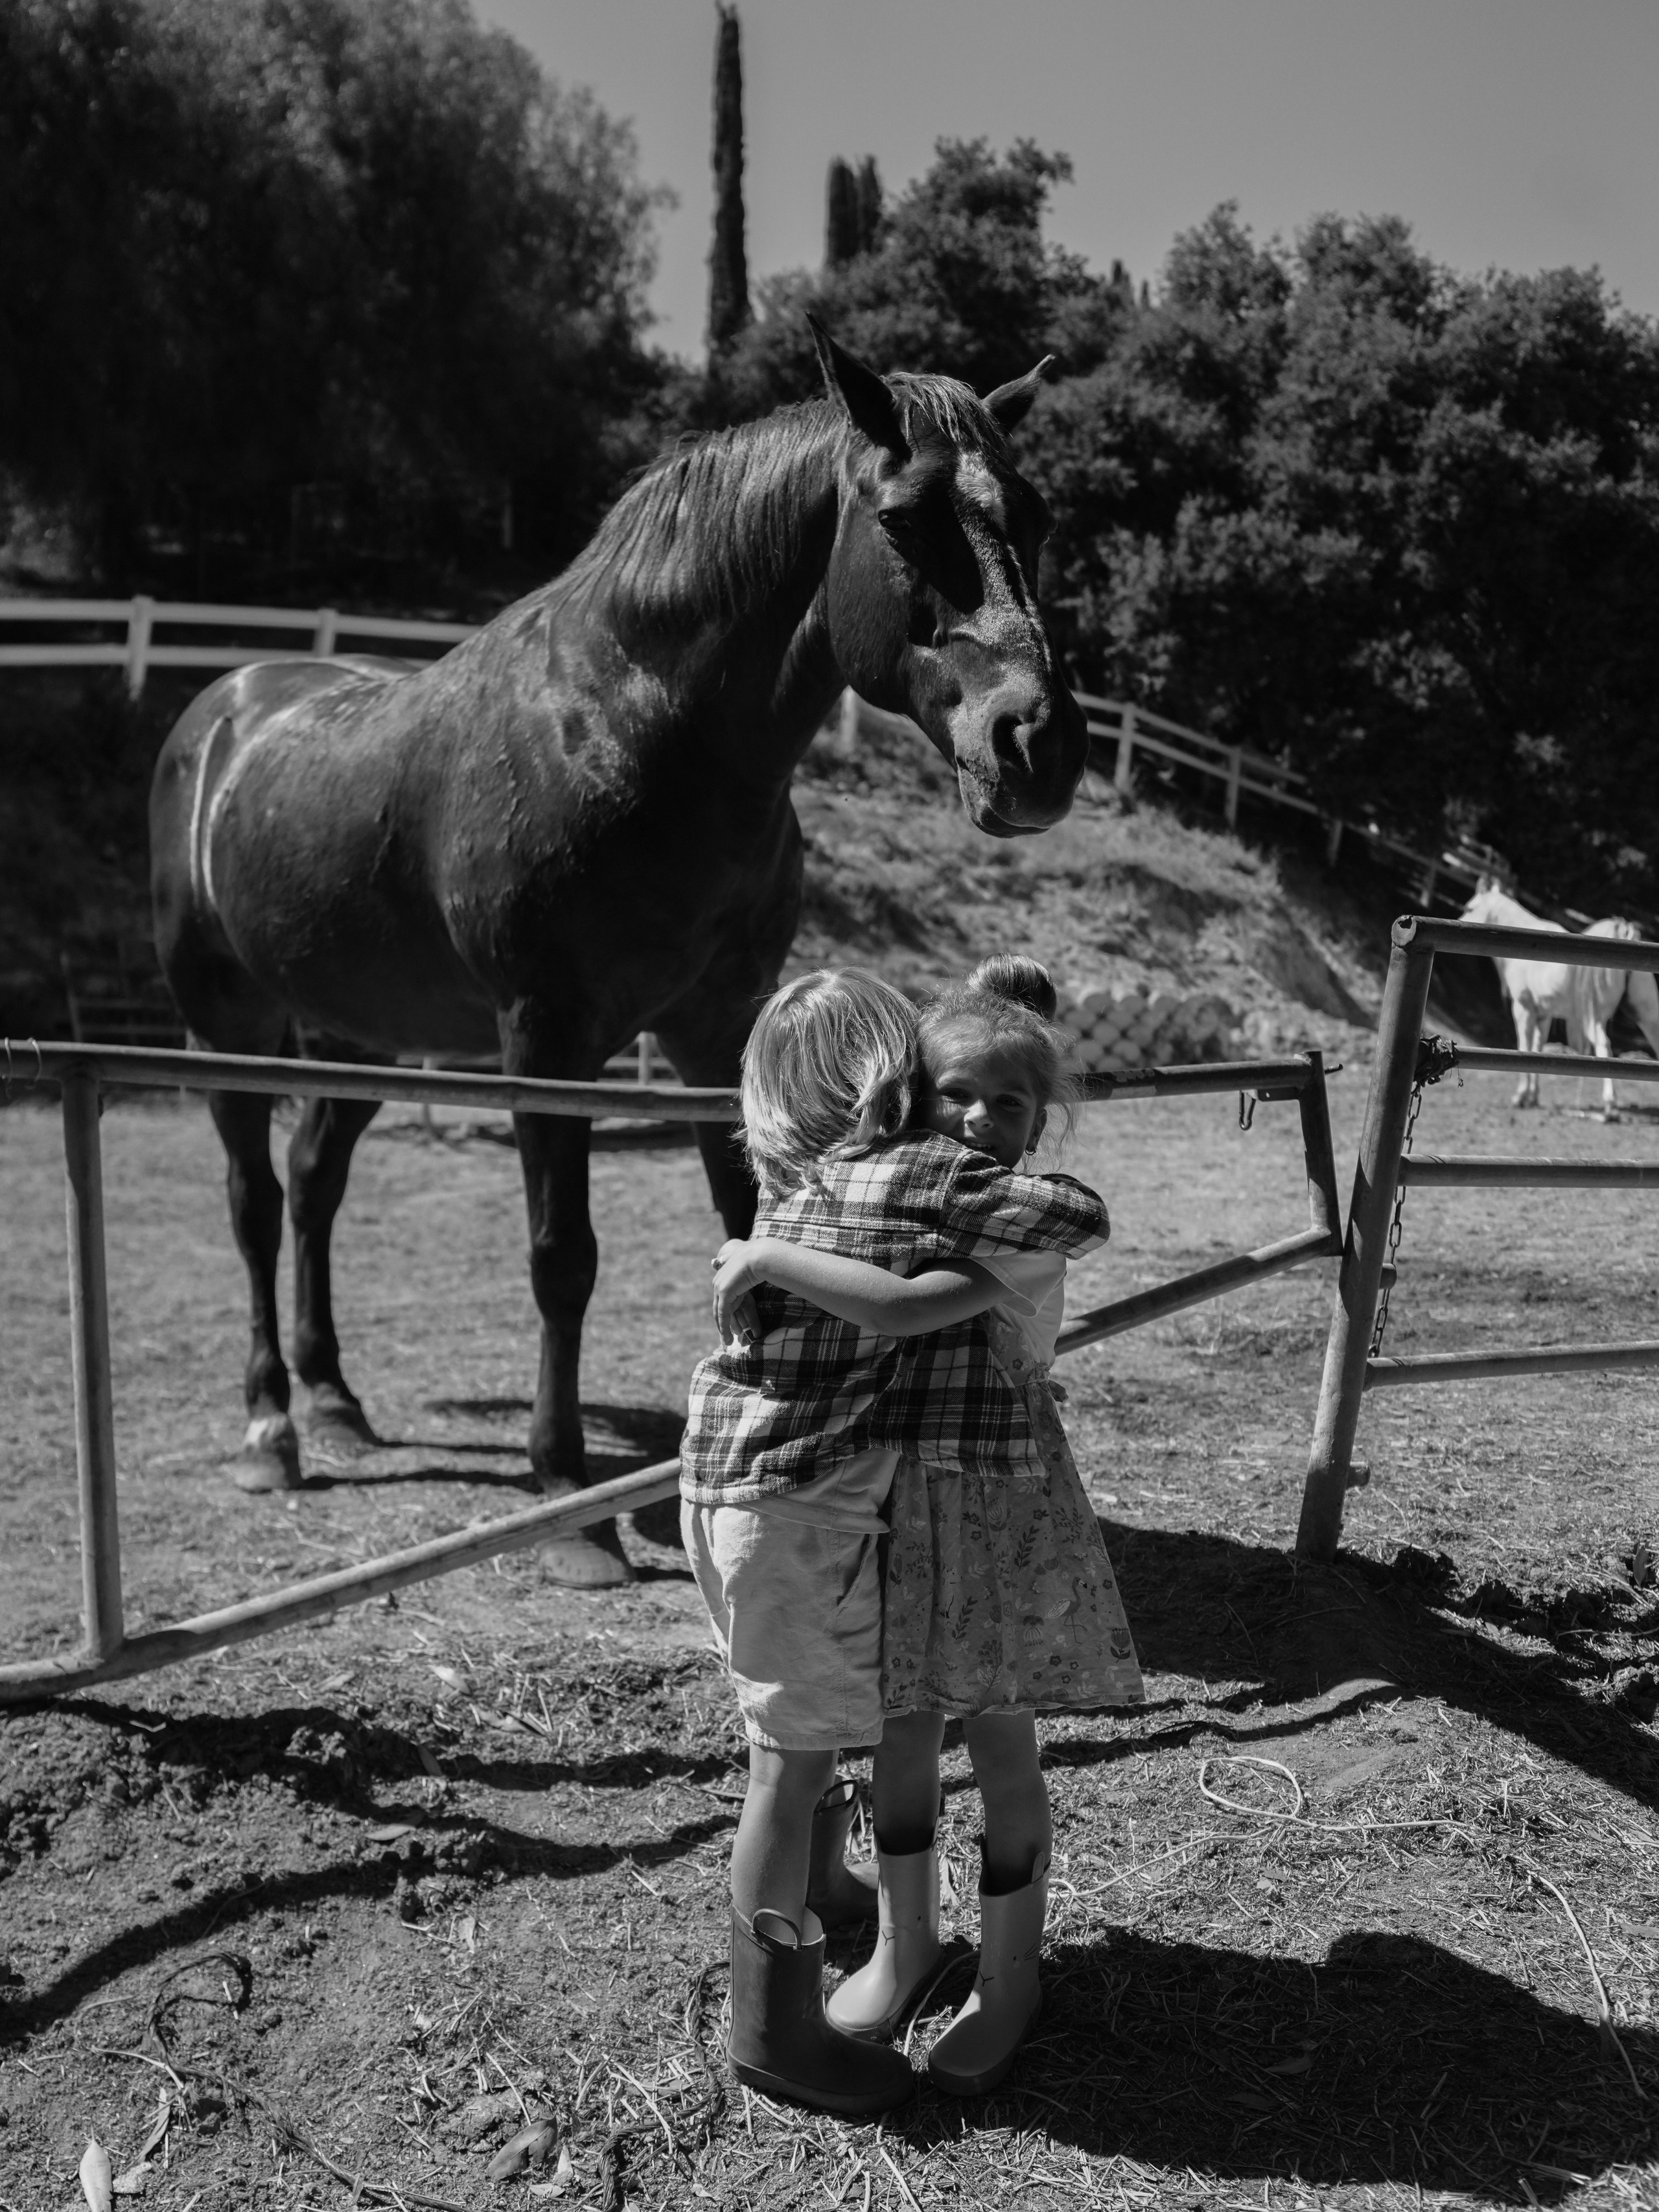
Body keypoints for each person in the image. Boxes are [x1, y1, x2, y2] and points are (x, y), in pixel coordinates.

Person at [711, 955, 1143, 2096]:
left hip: (993, 1507)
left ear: (1040, 1119)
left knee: (999, 1740)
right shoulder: (912, 1194)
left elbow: (918, 1301)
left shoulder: (1010, 1227)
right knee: (899, 1737)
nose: (979, 1119)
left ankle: (1010, 1978)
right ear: (909, 1099)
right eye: (954, 1094)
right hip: (897, 1502)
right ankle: (906, 1945)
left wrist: (777, 1255)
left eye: (1009, 1102)